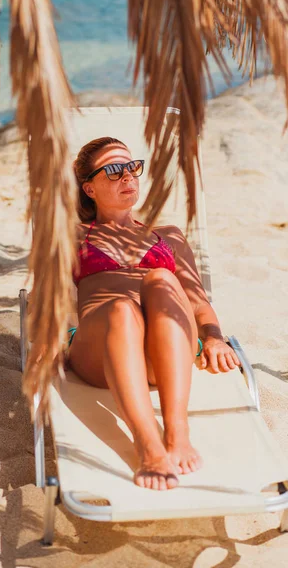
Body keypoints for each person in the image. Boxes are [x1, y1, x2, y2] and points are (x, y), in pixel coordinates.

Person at [68, 136, 240, 492]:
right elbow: (52, 299)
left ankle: (177, 433)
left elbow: (196, 298)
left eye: (132, 168)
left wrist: (213, 336)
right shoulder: (72, 236)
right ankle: (148, 446)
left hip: (161, 356)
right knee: (121, 308)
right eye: (113, 171)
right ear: (89, 188)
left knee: (161, 277)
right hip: (99, 352)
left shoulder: (169, 237)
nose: (127, 177)